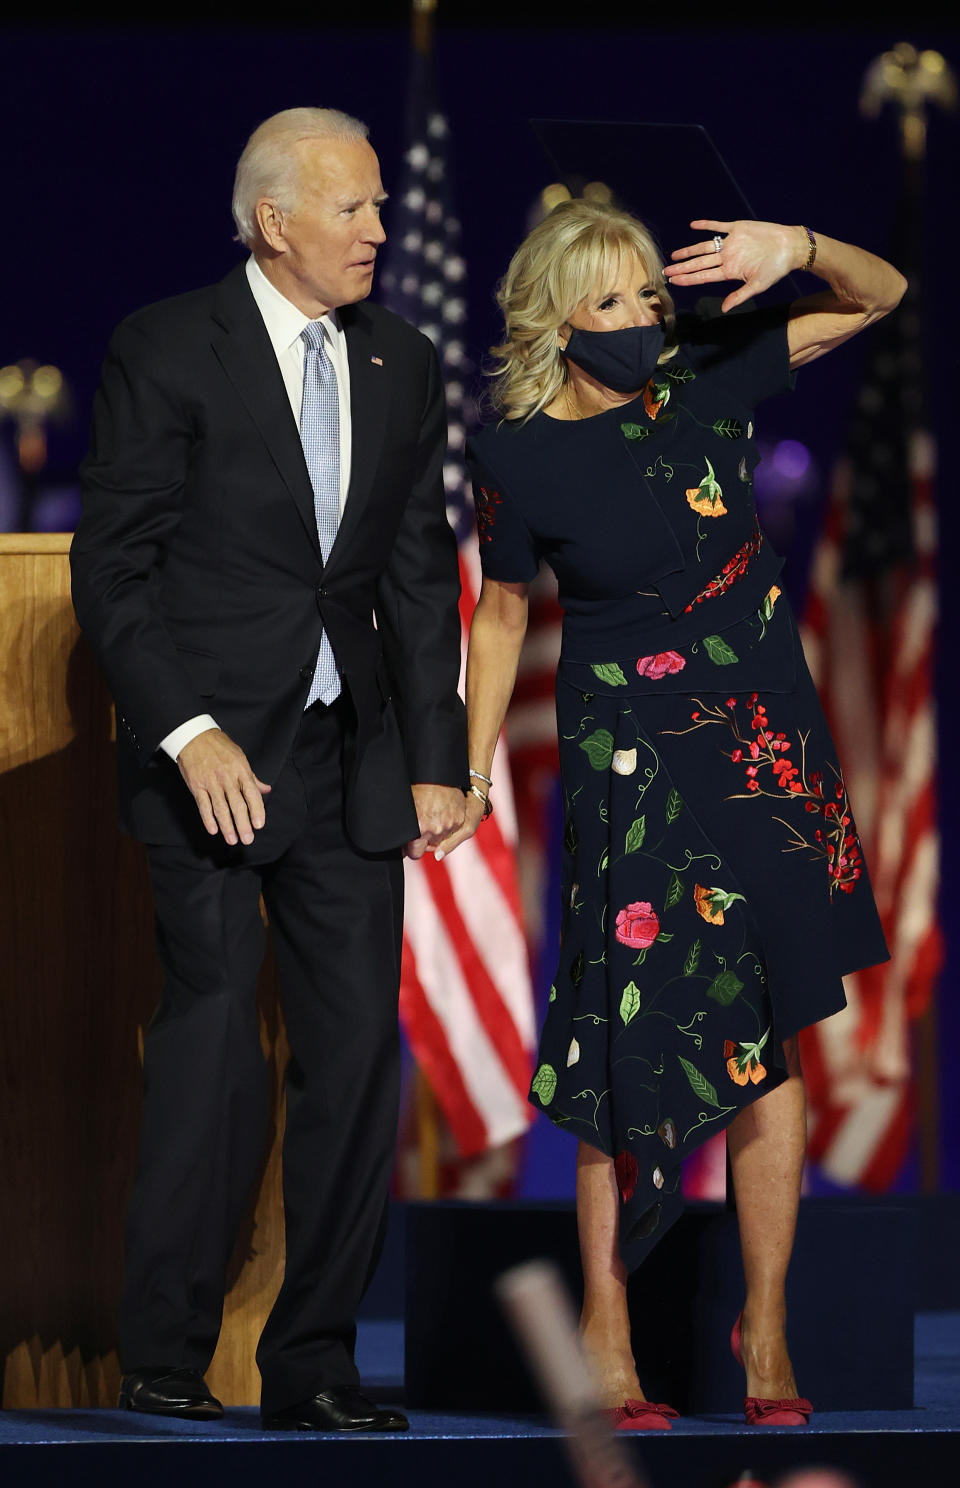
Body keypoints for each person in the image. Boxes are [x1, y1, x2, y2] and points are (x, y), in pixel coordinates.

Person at [439, 199, 904, 1429]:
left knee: (771, 1024)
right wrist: (471, 769)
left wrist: (795, 249)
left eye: (653, 294)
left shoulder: (706, 377)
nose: (645, 319)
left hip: (762, 748)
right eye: (614, 302)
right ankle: (603, 1318)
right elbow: (498, 618)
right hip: (629, 755)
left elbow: (882, 295)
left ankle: (768, 1326)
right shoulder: (518, 456)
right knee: (623, 1028)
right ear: (556, 320)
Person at [70, 107, 467, 1432]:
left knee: (357, 1067)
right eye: (351, 208)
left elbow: (417, 577)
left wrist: (439, 759)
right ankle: (167, 1356)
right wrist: (187, 734)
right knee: (213, 1051)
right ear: (271, 221)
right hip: (213, 765)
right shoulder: (167, 345)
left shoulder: (405, 362)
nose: (378, 228)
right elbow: (112, 569)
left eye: (378, 207)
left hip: (350, 762)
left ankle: (315, 1367)